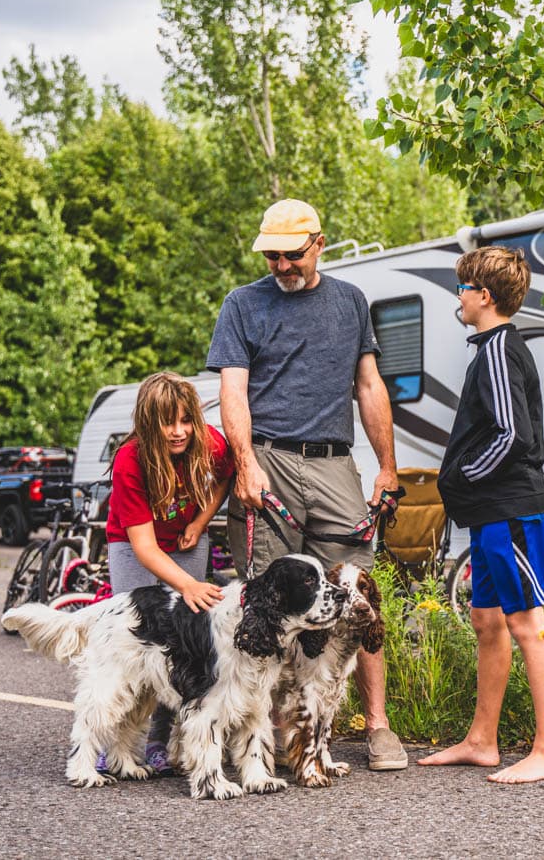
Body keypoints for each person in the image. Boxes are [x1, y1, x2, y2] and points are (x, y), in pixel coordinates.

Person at [204, 197, 407, 772]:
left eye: (291, 255)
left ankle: (377, 726)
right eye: (272, 255)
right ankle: (258, 740)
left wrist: (387, 467)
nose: (281, 266)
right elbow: (233, 391)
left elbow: (368, 387)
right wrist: (244, 462)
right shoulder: (242, 304)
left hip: (333, 462)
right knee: (265, 601)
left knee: (359, 596)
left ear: (318, 242)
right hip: (268, 460)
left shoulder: (350, 302)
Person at [419, 245, 544, 784]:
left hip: (510, 510)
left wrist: (463, 476)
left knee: (529, 625)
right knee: (486, 621)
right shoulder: (486, 349)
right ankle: (482, 742)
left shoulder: (501, 349)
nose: (458, 297)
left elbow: (512, 435)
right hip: (488, 516)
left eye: (463, 288)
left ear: (483, 297)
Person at [103, 371, 234, 774]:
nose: (178, 432)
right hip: (133, 546)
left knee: (177, 647)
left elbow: (225, 477)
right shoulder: (129, 460)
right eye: (167, 423)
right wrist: (189, 586)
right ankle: (112, 742)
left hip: (185, 542)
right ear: (147, 423)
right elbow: (143, 548)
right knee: (135, 645)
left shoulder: (209, 442)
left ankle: (160, 740)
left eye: (185, 421)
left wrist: (200, 522)